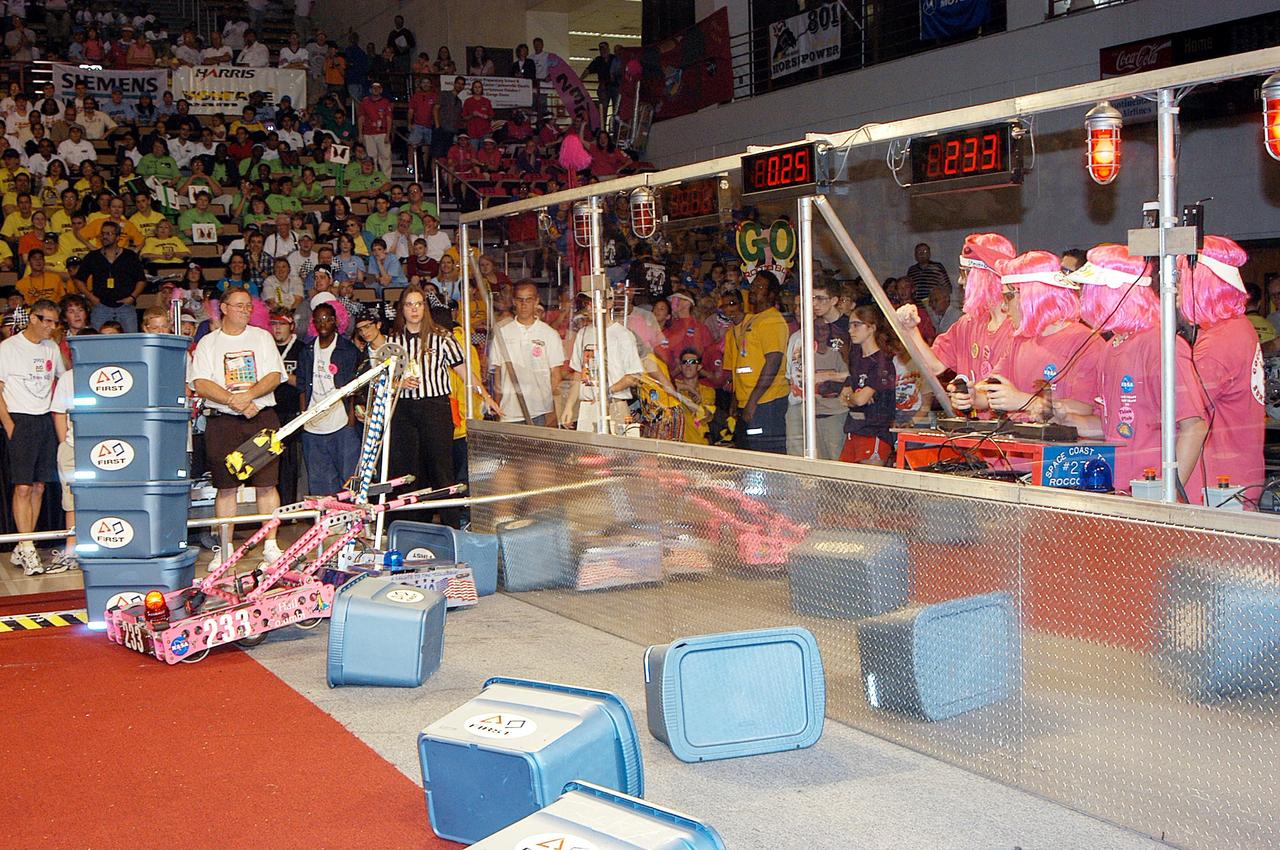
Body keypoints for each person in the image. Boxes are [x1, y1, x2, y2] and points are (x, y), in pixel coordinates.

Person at [1062, 245, 1207, 497]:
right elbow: (1118, 426)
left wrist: (1167, 496)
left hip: (1154, 496)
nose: (1083, 297)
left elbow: (1194, 427)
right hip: (1123, 491)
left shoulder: (1161, 345)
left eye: (1089, 290)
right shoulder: (1110, 348)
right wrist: (1064, 420)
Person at [189, 286, 286, 564]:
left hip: (261, 417)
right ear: (224, 308)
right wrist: (234, 400)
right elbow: (201, 383)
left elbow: (274, 374)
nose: (245, 311)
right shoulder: (209, 342)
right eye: (239, 305)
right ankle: (226, 546)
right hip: (223, 421)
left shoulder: (262, 337)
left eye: (248, 306)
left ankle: (270, 543)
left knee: (267, 484)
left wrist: (249, 396)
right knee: (226, 486)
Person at [388, 285, 496, 526]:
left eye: (418, 304)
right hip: (404, 411)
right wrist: (398, 383)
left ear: (425, 308)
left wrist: (486, 397)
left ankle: (451, 525)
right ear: (402, 309)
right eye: (409, 305)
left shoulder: (442, 337)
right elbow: (384, 379)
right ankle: (410, 525)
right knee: (408, 471)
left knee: (441, 468)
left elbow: (464, 372)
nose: (414, 310)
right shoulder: (393, 340)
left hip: (435, 408)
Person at [1177, 236, 1265, 506]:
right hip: (1233, 480)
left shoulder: (1220, 343)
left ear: (1201, 284)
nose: (1177, 289)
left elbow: (1183, 412)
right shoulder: (1235, 329)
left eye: (1182, 279)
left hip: (1218, 488)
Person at [968, 251, 1099, 424]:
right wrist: (973, 395)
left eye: (1008, 298)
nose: (1005, 308)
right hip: (1021, 447)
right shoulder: (1021, 339)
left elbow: (1084, 407)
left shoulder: (1085, 342)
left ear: (1030, 295)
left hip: (1061, 449)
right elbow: (994, 387)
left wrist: (1023, 401)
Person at [898, 232, 1017, 417]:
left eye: (965, 273)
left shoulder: (1018, 327)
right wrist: (911, 330)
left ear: (985, 276)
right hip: (974, 433)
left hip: (1010, 435)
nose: (960, 281)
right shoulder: (968, 323)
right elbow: (935, 366)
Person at [0, 299, 64, 574]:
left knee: (39, 485)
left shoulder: (51, 348)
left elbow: (62, 379)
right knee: (23, 486)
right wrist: (10, 426)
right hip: (19, 418)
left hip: (44, 418)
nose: (51, 327)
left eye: (54, 321)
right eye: (46, 320)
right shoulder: (9, 347)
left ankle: (25, 543)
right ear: (32, 319)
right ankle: (26, 547)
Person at [296, 301, 361, 496]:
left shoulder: (348, 350)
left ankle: (351, 521)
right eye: (318, 320)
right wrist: (303, 415)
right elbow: (301, 384)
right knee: (319, 479)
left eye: (327, 319)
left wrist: (351, 418)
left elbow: (354, 387)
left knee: (348, 478)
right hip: (313, 425)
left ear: (335, 321)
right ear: (313, 323)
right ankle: (327, 523)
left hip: (341, 422)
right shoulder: (306, 351)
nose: (323, 323)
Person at [723, 272, 789, 454]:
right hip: (748, 400)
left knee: (765, 454)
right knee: (750, 452)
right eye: (753, 285)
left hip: (766, 402)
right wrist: (737, 399)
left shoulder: (772, 320)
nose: (753, 290)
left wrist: (753, 401)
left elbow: (773, 362)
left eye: (759, 287)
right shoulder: (752, 320)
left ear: (771, 295)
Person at [784, 280, 851, 459]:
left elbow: (855, 370)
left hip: (832, 408)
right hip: (800, 405)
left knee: (834, 459)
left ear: (834, 300)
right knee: (800, 458)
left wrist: (830, 376)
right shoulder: (796, 338)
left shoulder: (841, 331)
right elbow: (790, 375)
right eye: (797, 305)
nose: (800, 309)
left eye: (818, 299)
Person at [491, 280, 566, 425]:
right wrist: (498, 403)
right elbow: (498, 373)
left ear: (536, 300)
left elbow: (555, 375)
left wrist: (552, 410)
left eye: (529, 299)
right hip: (509, 411)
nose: (524, 304)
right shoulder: (502, 333)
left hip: (540, 411)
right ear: (514, 301)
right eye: (520, 300)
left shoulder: (549, 334)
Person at [838, 305, 898, 464]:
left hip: (874, 433)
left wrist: (855, 398)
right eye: (850, 325)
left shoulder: (882, 363)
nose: (851, 330)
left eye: (856, 325)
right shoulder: (856, 357)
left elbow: (859, 400)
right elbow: (845, 397)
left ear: (871, 327)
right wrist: (854, 397)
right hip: (853, 430)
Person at [76, 221, 145, 331]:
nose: (104, 237)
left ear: (118, 237)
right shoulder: (93, 256)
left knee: (131, 341)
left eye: (109, 234)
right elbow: (79, 279)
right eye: (103, 234)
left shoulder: (130, 256)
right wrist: (91, 297)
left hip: (126, 307)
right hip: (101, 307)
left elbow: (141, 280)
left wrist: (132, 297)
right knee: (97, 341)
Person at [358, 82, 394, 175]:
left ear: (381, 90)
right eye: (374, 88)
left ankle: (386, 178)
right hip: (368, 133)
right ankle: (373, 176)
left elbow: (389, 118)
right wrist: (360, 134)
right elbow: (361, 118)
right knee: (371, 156)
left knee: (385, 156)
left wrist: (388, 134)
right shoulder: (365, 102)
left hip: (382, 132)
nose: (376, 90)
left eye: (378, 88)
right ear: (370, 89)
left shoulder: (386, 102)